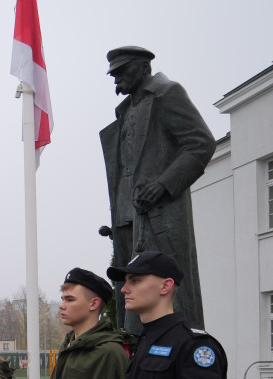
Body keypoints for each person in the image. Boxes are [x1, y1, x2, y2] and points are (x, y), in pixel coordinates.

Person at [100, 46, 215, 335]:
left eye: (122, 72)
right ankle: (137, 352)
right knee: (131, 289)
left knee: (163, 285)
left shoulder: (167, 93)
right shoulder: (125, 111)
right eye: (113, 75)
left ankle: (181, 347)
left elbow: (201, 143)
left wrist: (163, 184)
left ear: (143, 68)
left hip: (159, 211)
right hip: (127, 215)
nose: (117, 81)